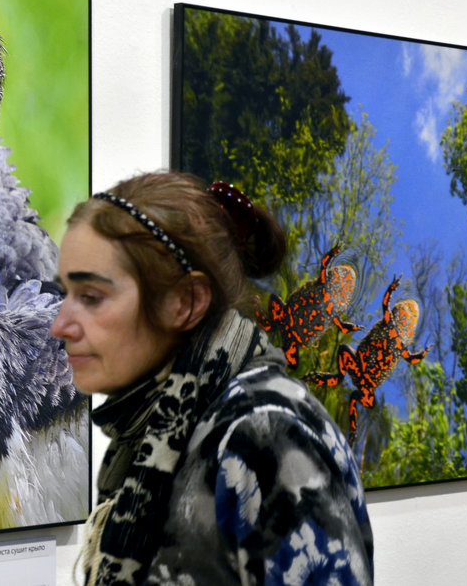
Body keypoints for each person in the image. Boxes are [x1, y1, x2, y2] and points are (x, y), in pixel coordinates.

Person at [50, 171, 373, 586]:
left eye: (91, 297)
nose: (61, 325)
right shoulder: (152, 435)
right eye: (66, 295)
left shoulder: (266, 433)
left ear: (185, 301)